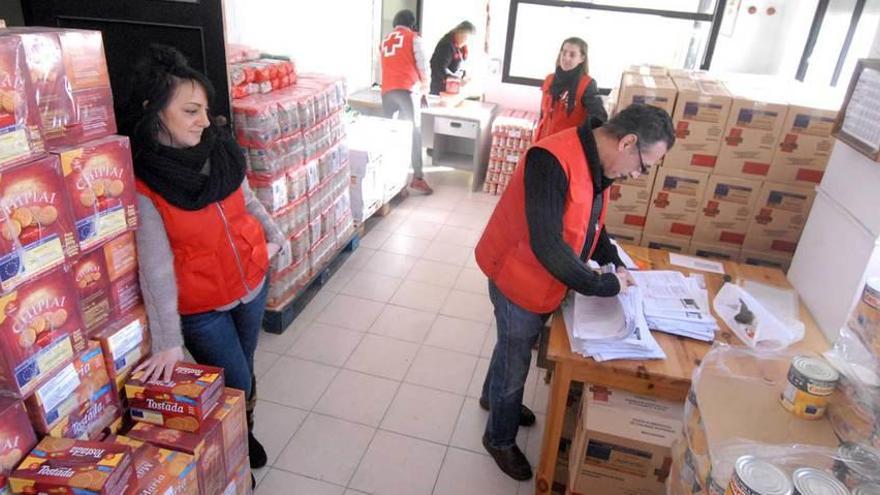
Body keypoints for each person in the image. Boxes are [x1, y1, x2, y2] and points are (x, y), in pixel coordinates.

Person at [474, 104, 675, 481]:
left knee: (511, 346)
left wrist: (616, 262)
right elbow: (548, 245)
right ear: (628, 142)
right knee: (516, 353)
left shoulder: (597, 163)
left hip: (542, 278)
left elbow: (589, 226)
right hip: (516, 274)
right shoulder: (551, 160)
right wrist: (604, 285)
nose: (637, 174)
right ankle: (499, 438)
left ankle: (493, 398)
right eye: (643, 165)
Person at [118, 45, 285, 483]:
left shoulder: (222, 149)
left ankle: (243, 432)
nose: (205, 121)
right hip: (203, 308)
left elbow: (248, 202)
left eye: (205, 110)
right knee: (236, 379)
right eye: (191, 110)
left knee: (244, 370)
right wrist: (169, 341)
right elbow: (154, 268)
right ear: (155, 113)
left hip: (251, 282)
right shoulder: (145, 184)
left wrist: (275, 239)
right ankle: (236, 449)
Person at [380, 9, 433, 194]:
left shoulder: (386, 39)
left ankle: (390, 180)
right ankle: (417, 178)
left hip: (387, 91)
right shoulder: (413, 38)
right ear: (412, 23)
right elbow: (423, 66)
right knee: (414, 133)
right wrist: (425, 91)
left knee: (391, 134)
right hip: (407, 90)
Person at [534, 37, 607, 141]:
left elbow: (599, 118)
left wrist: (579, 138)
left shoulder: (587, 84)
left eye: (572, 55)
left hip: (566, 144)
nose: (566, 58)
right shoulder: (549, 79)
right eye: (564, 53)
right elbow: (543, 114)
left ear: (582, 58)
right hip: (542, 142)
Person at [429, 21, 475, 95]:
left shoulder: (460, 46)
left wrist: (464, 75)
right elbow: (440, 68)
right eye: (465, 38)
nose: (466, 42)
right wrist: (456, 79)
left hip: (452, 88)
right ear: (459, 32)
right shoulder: (447, 45)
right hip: (441, 89)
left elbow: (459, 65)